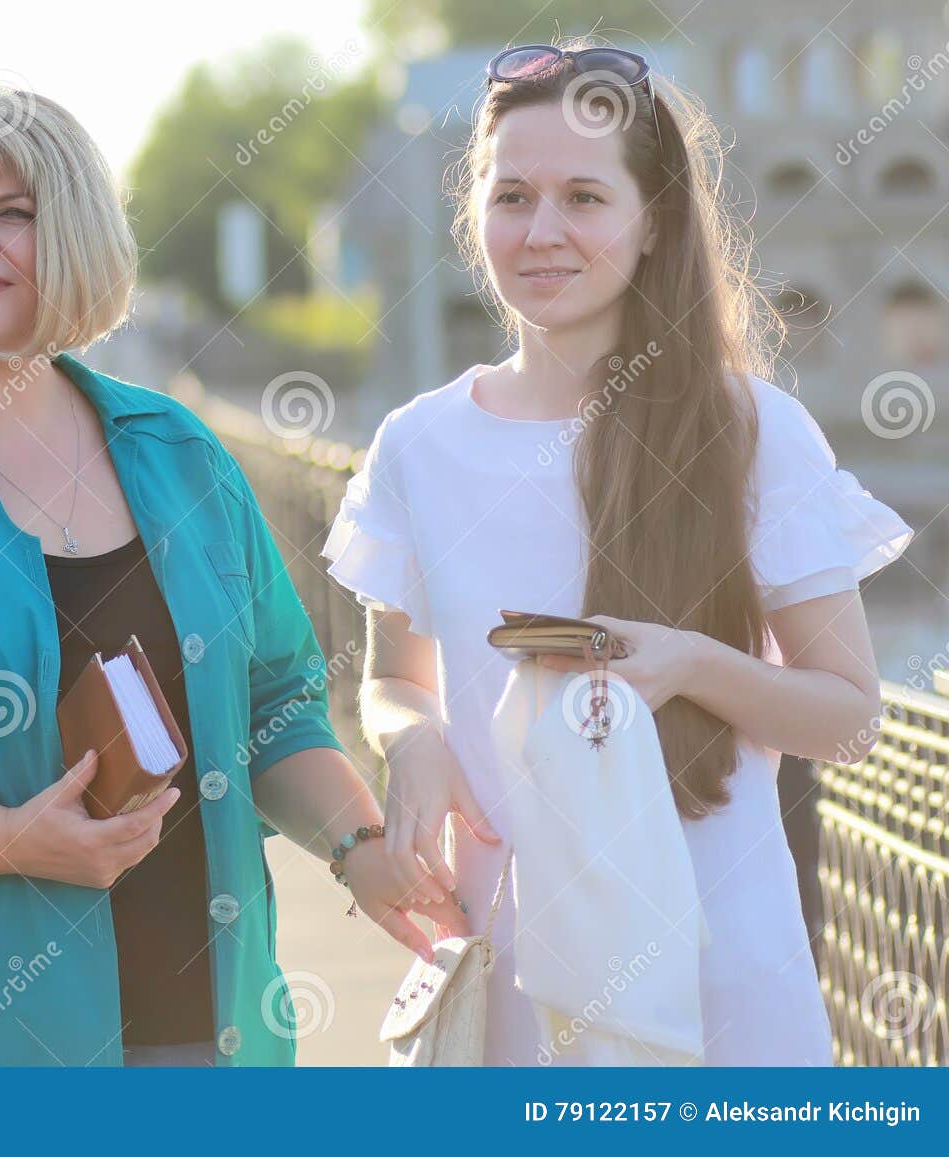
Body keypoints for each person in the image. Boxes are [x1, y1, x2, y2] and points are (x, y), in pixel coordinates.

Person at [0, 81, 464, 1068]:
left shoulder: (179, 453)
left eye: (13, 214)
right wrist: (8, 839)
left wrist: (359, 848)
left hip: (209, 1028)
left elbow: (276, 700)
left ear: (71, 233)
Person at [322, 40, 914, 1065]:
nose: (540, 231)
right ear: (475, 214)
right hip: (507, 984)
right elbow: (394, 681)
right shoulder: (416, 445)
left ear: (653, 226)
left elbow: (848, 718)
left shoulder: (754, 432)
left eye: (584, 198)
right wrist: (410, 740)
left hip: (717, 991)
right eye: (512, 196)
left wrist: (688, 663)